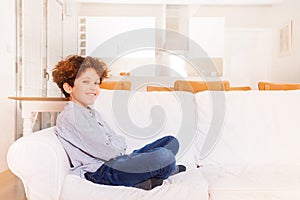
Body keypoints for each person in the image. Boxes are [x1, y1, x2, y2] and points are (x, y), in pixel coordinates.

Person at [52, 55, 186, 190]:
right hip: (101, 172)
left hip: (118, 160)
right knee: (164, 156)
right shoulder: (71, 116)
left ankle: (153, 175)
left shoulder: (91, 112)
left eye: (96, 83)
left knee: (171, 141)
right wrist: (121, 150)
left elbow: (114, 139)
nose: (93, 88)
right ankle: (162, 172)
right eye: (86, 82)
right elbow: (106, 150)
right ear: (69, 88)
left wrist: (124, 152)